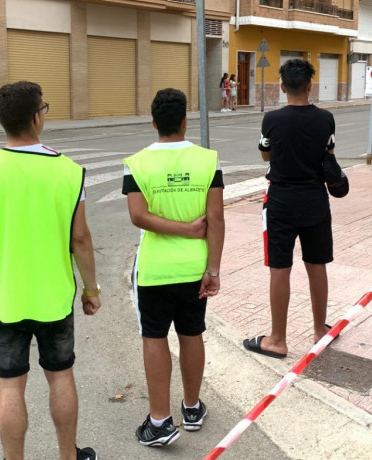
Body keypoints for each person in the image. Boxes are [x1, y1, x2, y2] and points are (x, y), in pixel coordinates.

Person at [0, 81, 100, 460]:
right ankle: (67, 456)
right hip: (54, 297)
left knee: (9, 386)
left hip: (3, 299)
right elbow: (81, 240)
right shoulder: (69, 171)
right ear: (37, 117)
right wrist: (91, 290)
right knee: (61, 375)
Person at [122, 88, 225, 447]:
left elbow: (138, 216)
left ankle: (160, 421)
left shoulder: (136, 163)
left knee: (154, 337)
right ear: (185, 120)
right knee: (192, 333)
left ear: (153, 122)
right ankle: (192, 409)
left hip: (155, 270)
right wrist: (212, 268)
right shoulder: (208, 161)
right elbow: (216, 218)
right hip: (195, 268)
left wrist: (178, 229)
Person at [243, 58, 340, 359]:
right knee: (316, 264)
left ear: (283, 86)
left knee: (280, 269)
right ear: (310, 85)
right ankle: (320, 331)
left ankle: (277, 340)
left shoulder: (272, 119)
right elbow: (329, 152)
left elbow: (264, 155)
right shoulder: (325, 118)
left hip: (281, 201)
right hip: (315, 199)